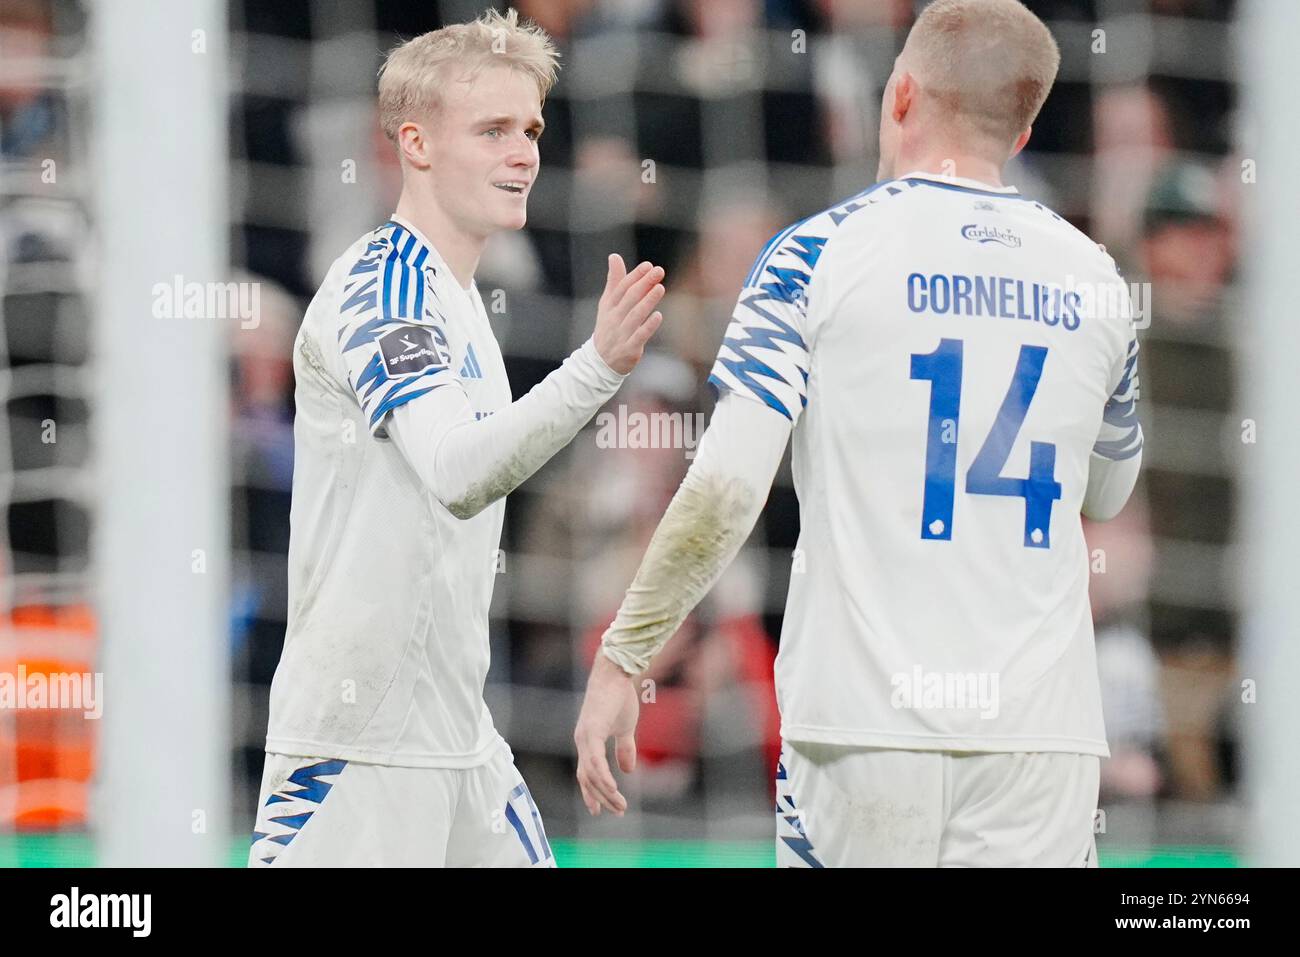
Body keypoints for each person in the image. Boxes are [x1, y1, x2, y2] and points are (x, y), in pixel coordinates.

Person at [574, 0, 1143, 867]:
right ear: (1022, 136)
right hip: (1042, 736)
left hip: (864, 724)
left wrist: (624, 660)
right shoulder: (1097, 279)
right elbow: (1111, 490)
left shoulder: (817, 253)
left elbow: (726, 487)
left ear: (901, 95)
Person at [250, 8, 665, 867]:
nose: (524, 154)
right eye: (493, 130)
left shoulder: (463, 296)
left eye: (531, 130)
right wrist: (597, 367)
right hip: (357, 749)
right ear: (416, 144)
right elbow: (452, 469)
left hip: (459, 738)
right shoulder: (383, 283)